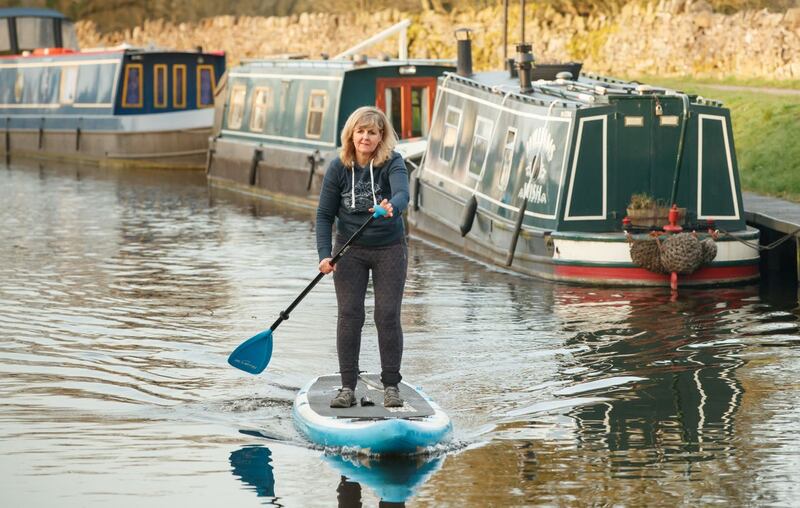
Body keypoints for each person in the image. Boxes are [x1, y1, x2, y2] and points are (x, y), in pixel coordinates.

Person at [315, 106, 409, 409]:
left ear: (381, 136)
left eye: (372, 132)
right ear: (351, 135)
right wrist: (324, 255)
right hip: (349, 250)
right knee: (350, 315)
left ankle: (391, 386)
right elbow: (324, 215)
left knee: (387, 315)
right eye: (361, 131)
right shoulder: (338, 168)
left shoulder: (393, 162)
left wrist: (392, 205)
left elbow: (402, 194)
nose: (366, 137)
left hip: (389, 248)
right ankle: (347, 387)